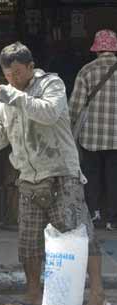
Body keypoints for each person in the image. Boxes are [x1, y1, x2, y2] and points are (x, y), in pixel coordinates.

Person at [0, 42, 110, 305]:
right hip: (29, 179)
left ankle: (98, 294)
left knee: (79, 236)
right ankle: (33, 292)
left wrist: (15, 96)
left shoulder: (51, 84)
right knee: (28, 244)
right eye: (8, 75)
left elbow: (49, 113)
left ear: (31, 67)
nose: (13, 80)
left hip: (61, 175)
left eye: (18, 73)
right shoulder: (7, 100)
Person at [69, 29, 117, 231]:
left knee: (92, 174)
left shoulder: (86, 71)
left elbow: (75, 105)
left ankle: (95, 214)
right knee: (114, 176)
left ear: (97, 50)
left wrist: (69, 128)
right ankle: (112, 219)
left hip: (91, 137)